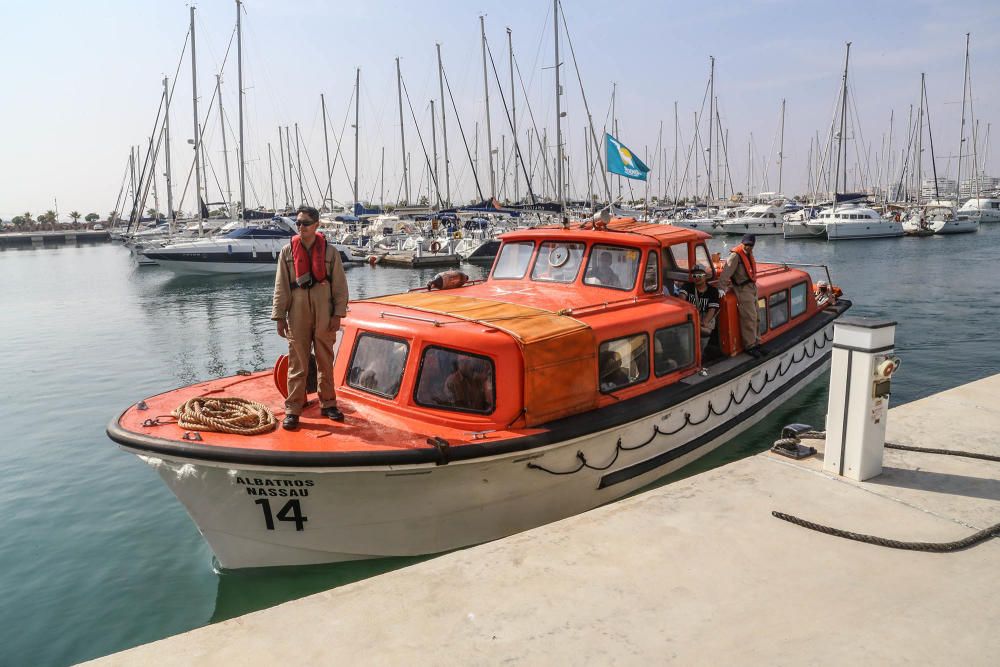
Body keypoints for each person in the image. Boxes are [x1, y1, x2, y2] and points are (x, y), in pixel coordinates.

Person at [272, 205, 350, 429]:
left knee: (325, 359)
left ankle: (328, 403)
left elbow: (340, 287)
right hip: (297, 311)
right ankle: (293, 408)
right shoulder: (287, 252)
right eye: (297, 223)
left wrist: (338, 314)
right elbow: (281, 287)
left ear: (316, 225)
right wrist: (279, 316)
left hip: (324, 310)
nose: (300, 227)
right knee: (297, 361)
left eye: (305, 223)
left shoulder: (330, 252)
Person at [719, 234, 764, 358]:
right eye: (746, 245)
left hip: (752, 288)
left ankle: (757, 341)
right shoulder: (735, 256)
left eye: (751, 245)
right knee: (749, 318)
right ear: (742, 243)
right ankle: (750, 345)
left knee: (756, 316)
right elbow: (726, 272)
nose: (748, 247)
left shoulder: (749, 254)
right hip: (743, 289)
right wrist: (721, 288)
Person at [677, 264, 721, 355]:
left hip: (704, 320)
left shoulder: (713, 291)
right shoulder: (687, 286)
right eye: (694, 276)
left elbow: (712, 310)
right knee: (686, 346)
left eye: (700, 275)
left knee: (701, 345)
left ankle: (700, 357)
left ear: (705, 276)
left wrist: (704, 322)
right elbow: (681, 298)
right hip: (689, 319)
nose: (697, 278)